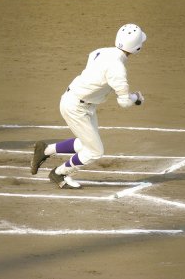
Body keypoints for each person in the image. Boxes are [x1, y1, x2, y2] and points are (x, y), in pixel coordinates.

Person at [30, 24, 146, 189]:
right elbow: (124, 102)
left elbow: (97, 70)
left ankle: (45, 150)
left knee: (87, 144)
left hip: (82, 103)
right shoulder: (117, 69)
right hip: (75, 107)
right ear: (137, 48)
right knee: (94, 151)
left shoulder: (103, 51)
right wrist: (136, 98)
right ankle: (59, 173)